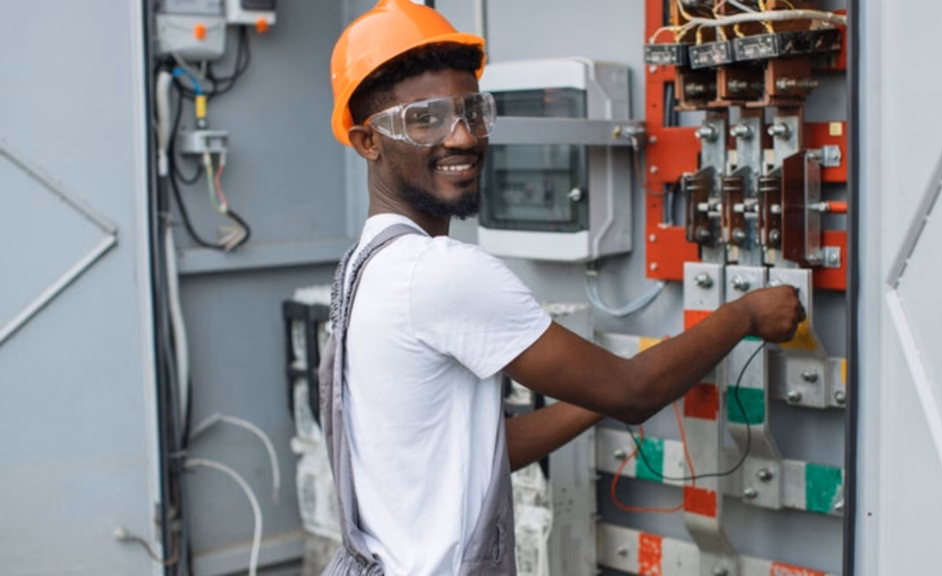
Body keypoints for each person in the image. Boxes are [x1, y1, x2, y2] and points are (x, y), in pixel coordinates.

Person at [318, 1, 805, 574]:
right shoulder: (440, 271)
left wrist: (590, 395)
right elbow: (634, 392)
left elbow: (486, 451)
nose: (464, 138)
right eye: (424, 119)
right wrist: (746, 314)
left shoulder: (362, 268)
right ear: (367, 142)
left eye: (473, 111)